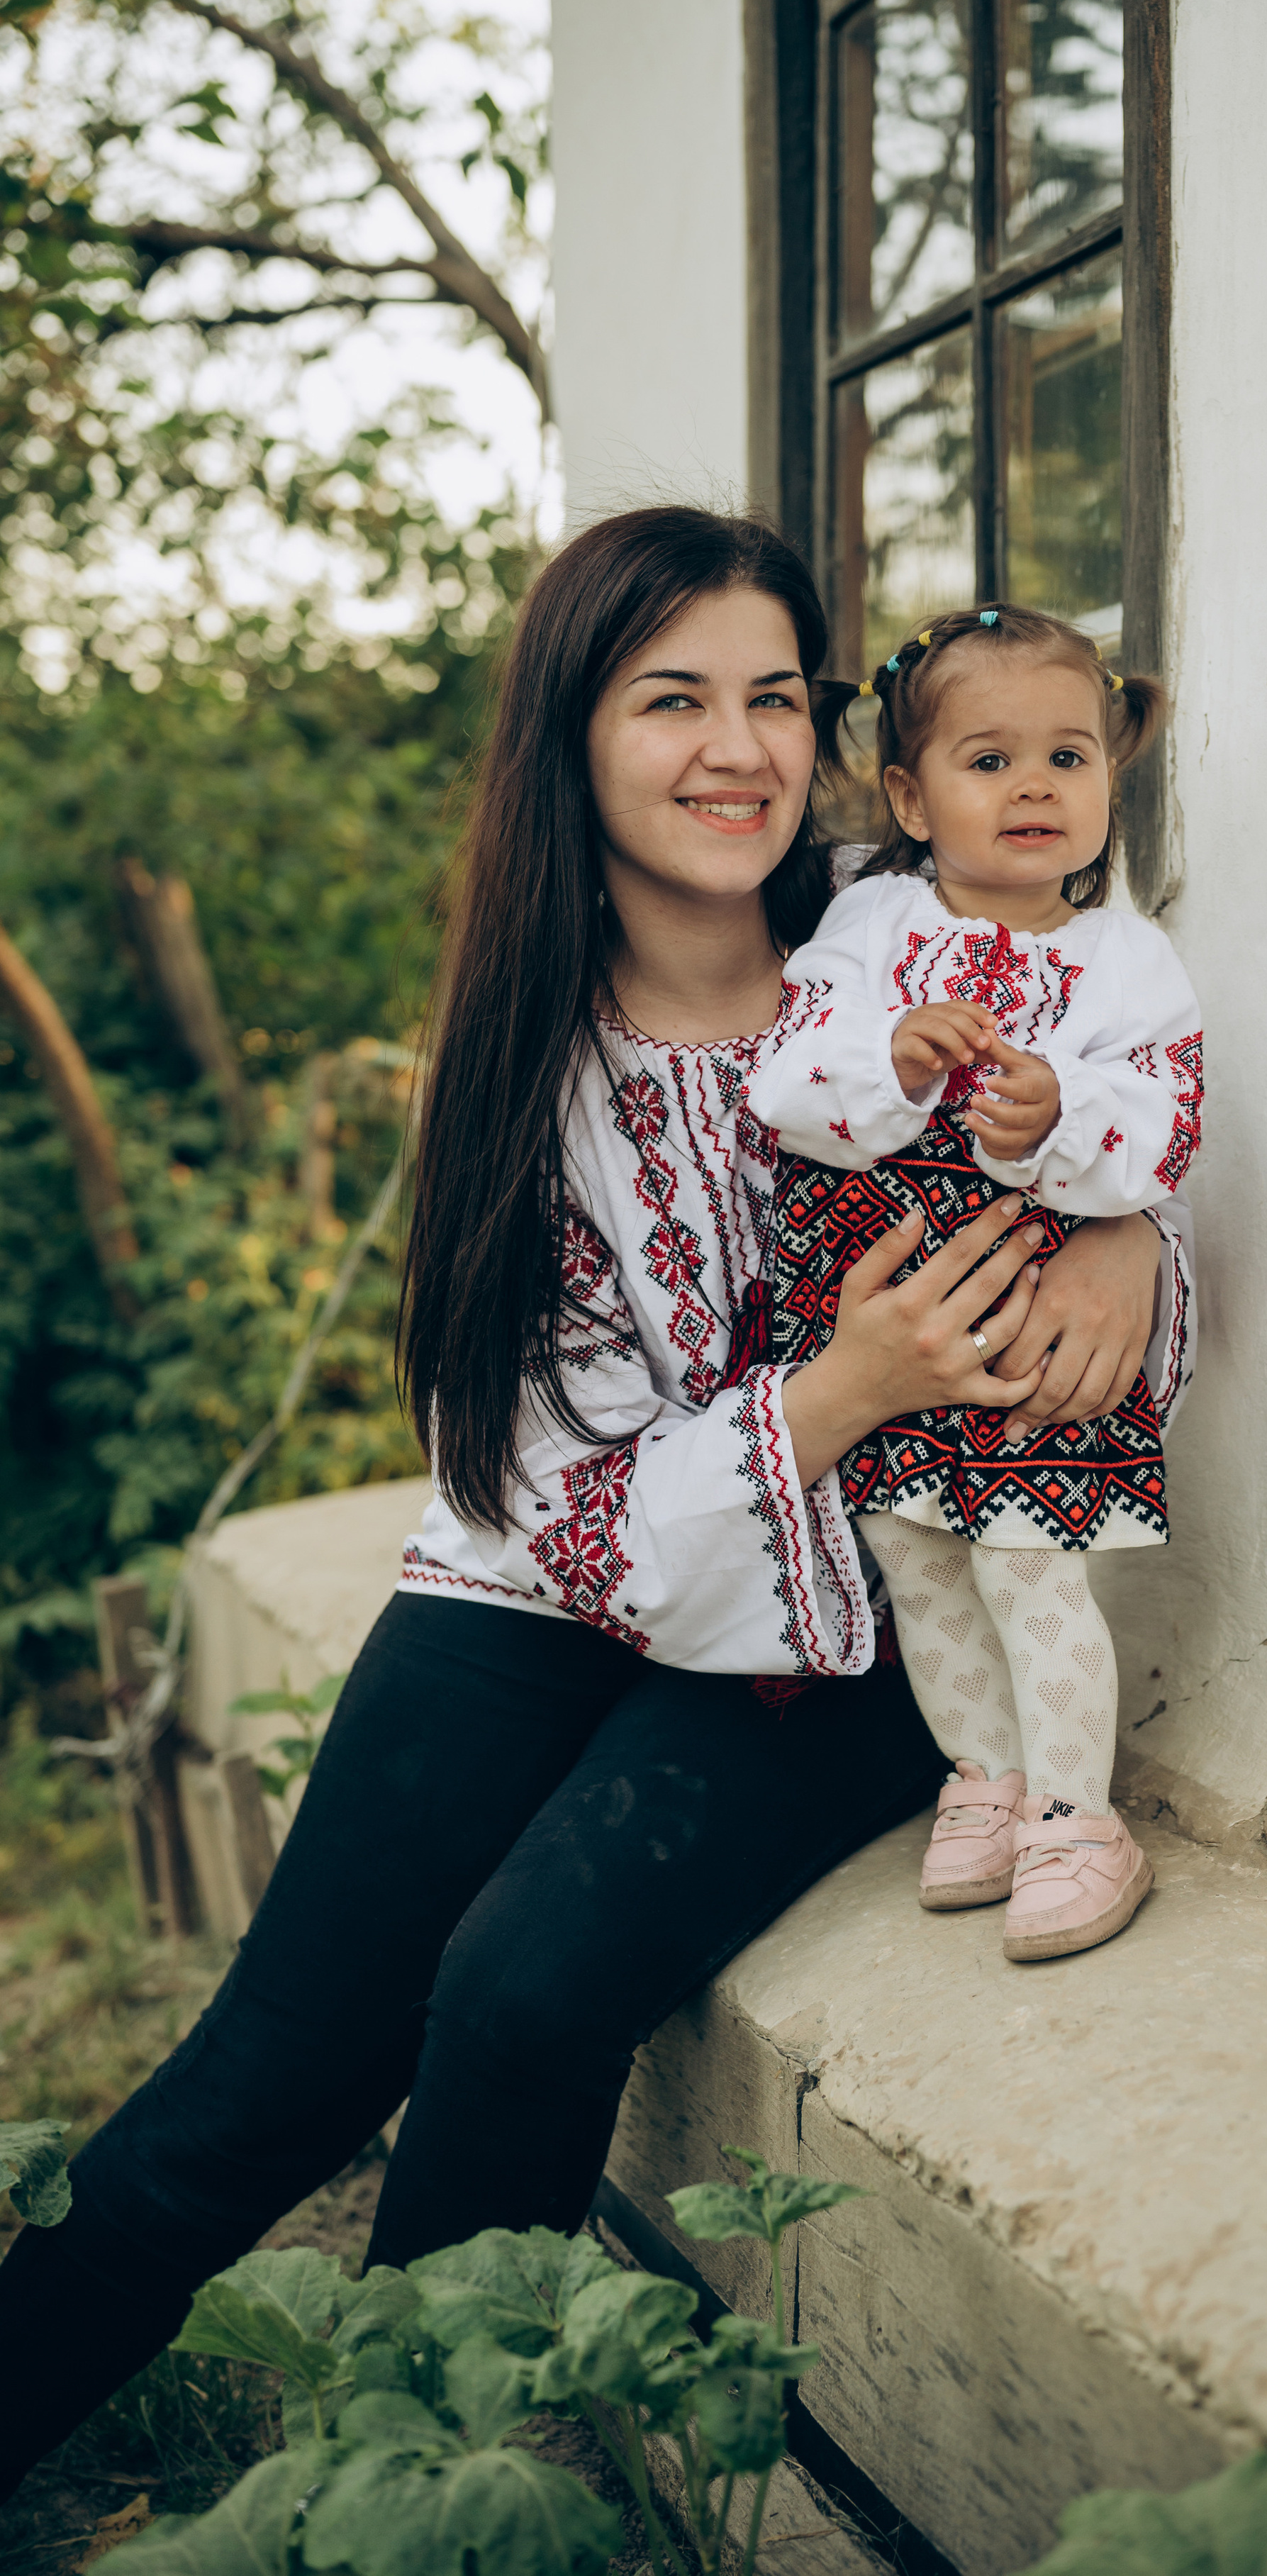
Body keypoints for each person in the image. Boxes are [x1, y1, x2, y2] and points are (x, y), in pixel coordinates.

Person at [0, 510, 1189, 2497]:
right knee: (255, 2087)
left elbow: (1130, 1096)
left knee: (517, 1992)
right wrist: (840, 1388)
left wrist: (1131, 1231)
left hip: (871, 1613)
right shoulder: (524, 1057)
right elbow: (562, 1498)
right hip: (554, 1575)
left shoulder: (922, 941)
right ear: (572, 733)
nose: (737, 749)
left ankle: (401, 2499)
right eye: (671, 701)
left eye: (775, 699)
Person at [749, 604, 1202, 1963]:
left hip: (1027, 1310)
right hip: (879, 1303)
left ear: (1109, 780)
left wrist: (1065, 1115)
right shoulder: (870, 923)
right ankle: (988, 1777)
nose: (1033, 787)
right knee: (914, 1550)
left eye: (1068, 757)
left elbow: (1168, 1126)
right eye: (989, 760)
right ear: (911, 797)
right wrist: (889, 1057)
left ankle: (1079, 1817)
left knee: (1026, 1559)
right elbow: (785, 1078)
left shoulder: (1124, 958)